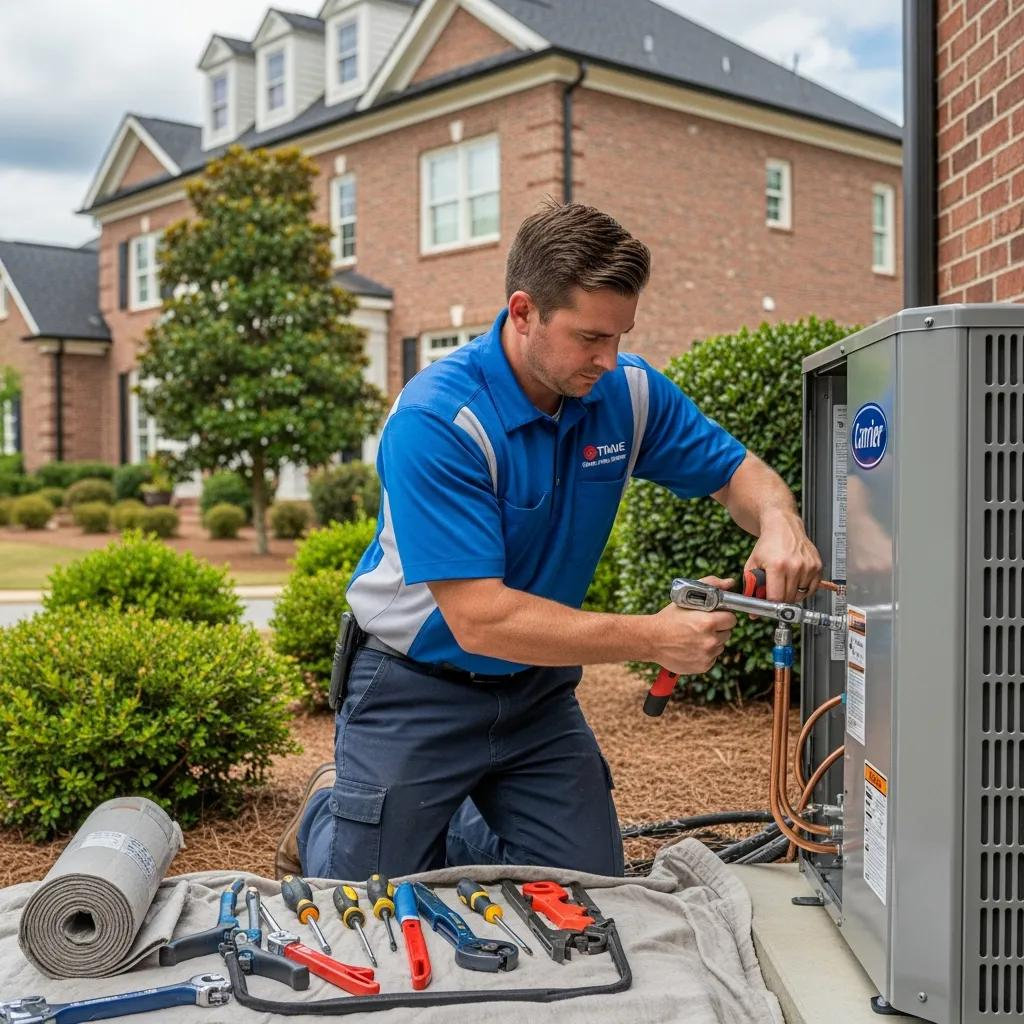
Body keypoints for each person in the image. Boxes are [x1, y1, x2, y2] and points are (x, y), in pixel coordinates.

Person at [276, 199, 822, 880]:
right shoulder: (440, 419)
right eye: (590, 337)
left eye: (620, 335)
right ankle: (334, 809)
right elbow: (479, 620)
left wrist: (779, 521)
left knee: (592, 886)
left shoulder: (627, 393)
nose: (609, 357)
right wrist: (653, 637)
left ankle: (451, 811)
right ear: (524, 311)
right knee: (364, 899)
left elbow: (740, 473)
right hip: (413, 685)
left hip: (535, 692)